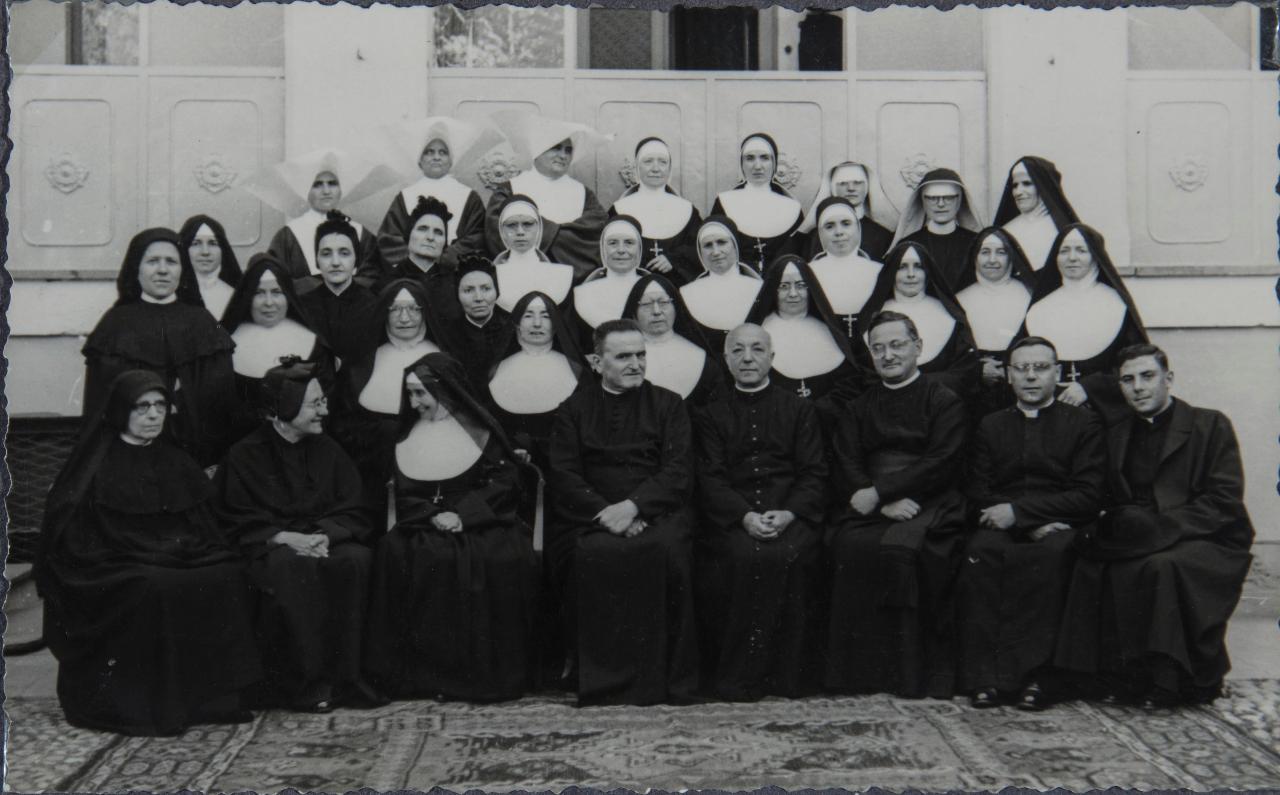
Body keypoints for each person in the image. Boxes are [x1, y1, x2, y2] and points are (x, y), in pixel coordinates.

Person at [37, 370, 261, 736]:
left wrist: (181, 548)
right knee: (155, 586)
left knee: (226, 574)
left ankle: (210, 701)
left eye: (160, 405)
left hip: (173, 558)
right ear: (120, 410)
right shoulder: (93, 466)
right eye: (142, 407)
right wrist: (147, 551)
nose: (154, 415)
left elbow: (203, 527)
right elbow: (77, 542)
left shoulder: (175, 460)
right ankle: (149, 705)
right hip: (111, 565)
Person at [1056, 344, 1254, 707]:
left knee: (1159, 565)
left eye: (1147, 376)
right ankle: (1116, 677)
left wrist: (1161, 528)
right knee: (1089, 561)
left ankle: (1172, 681)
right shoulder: (1117, 433)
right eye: (1128, 380)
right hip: (1138, 534)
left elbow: (1223, 499)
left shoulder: (1209, 425)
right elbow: (1107, 497)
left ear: (1168, 379)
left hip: (1203, 534)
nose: (1138, 388)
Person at [365, 353, 539, 702]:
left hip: (480, 520)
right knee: (399, 551)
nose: (413, 403)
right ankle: (422, 676)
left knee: (491, 558)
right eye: (409, 393)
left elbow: (506, 482)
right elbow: (400, 490)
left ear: (444, 391)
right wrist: (431, 514)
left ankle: (472, 675)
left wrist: (464, 515)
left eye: (420, 393)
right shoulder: (404, 435)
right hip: (421, 520)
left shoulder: (481, 432)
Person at [547, 319, 699, 705]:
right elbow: (564, 474)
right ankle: (600, 680)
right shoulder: (573, 410)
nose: (635, 364)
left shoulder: (669, 405)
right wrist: (605, 513)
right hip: (592, 516)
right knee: (590, 553)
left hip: (657, 512)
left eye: (641, 355)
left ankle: (665, 681)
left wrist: (634, 508)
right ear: (597, 362)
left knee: (667, 551)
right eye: (623, 356)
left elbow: (678, 471)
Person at [215, 360, 379, 713]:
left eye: (323, 401)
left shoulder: (328, 449)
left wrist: (326, 535)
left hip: (323, 539)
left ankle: (346, 680)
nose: (325, 411)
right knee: (291, 569)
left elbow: (355, 506)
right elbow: (233, 519)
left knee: (355, 560)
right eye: (314, 404)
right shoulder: (244, 455)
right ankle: (304, 685)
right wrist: (283, 537)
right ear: (283, 409)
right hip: (271, 546)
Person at [957, 337, 1105, 710]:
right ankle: (986, 678)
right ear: (1009, 376)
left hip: (1061, 524)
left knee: (1051, 557)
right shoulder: (991, 425)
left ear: (1057, 373)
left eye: (1040, 368)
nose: (1031, 377)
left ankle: (1039, 679)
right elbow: (977, 490)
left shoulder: (1083, 423)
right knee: (981, 552)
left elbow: (1089, 493)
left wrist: (1023, 515)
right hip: (1004, 524)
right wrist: (1024, 523)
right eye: (1021, 369)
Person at [826, 310, 968, 698]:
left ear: (918, 347)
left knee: (903, 553)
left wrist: (882, 492)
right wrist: (878, 500)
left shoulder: (943, 400)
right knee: (849, 545)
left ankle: (909, 675)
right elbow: (846, 459)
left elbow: (942, 460)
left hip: (930, 499)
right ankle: (860, 674)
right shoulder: (859, 406)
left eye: (897, 345)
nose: (888, 355)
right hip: (875, 501)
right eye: (878, 348)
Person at [693, 323, 827, 700]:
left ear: (772, 357)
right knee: (741, 556)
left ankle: (787, 678)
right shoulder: (710, 415)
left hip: (789, 514)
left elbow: (814, 473)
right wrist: (744, 516)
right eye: (738, 350)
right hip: (734, 518)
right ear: (726, 359)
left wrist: (788, 514)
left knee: (789, 555)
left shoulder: (799, 409)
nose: (748, 358)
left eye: (757, 350)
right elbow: (710, 478)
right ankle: (738, 678)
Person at [82, 227, 237, 466]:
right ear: (136, 268)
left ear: (183, 270)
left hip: (193, 452)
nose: (163, 270)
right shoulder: (116, 323)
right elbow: (101, 406)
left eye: (171, 262)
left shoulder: (203, 322)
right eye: (152, 261)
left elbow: (218, 404)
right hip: (127, 455)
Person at [328, 279, 447, 515]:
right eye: (395, 309)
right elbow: (345, 424)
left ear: (425, 312)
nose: (405, 318)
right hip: (373, 472)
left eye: (413, 309)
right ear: (384, 313)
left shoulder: (443, 358)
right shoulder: (363, 362)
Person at [1020, 223, 1149, 422]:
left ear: (1095, 256)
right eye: (1064, 251)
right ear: (1055, 257)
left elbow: (1136, 364)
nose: (1072, 257)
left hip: (1104, 414)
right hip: (1048, 411)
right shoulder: (1040, 308)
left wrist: (1090, 387)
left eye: (1081, 250)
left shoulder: (1115, 304)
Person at [485, 111, 610, 281]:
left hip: (572, 281)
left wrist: (543, 236)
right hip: (522, 276)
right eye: (556, 148)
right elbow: (497, 236)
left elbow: (594, 238)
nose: (563, 155)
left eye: (568, 150)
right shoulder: (509, 189)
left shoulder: (583, 193)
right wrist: (565, 238)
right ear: (539, 148)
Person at [858, 241, 979, 409]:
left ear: (928, 272)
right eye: (902, 267)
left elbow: (964, 374)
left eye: (918, 267)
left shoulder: (950, 317)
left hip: (939, 407)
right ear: (892, 272)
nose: (911, 274)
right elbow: (864, 377)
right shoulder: (871, 318)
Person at [220, 253, 333, 432]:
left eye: (276, 292)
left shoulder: (313, 344)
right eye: (259, 293)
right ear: (247, 297)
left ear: (288, 296)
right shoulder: (225, 346)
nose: (269, 303)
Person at [746, 255, 861, 422]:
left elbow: (850, 384)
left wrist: (821, 410)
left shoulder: (830, 332)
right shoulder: (757, 334)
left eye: (800, 285)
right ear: (773, 290)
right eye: (784, 286)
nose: (793, 294)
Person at [487, 291, 588, 470]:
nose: (537, 323)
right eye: (528, 316)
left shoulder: (578, 372)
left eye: (545, 316)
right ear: (517, 324)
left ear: (556, 325)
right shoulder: (495, 372)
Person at [378, 116, 495, 268]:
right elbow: (389, 238)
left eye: (443, 152)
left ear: (451, 160)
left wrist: (445, 259)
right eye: (429, 152)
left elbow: (477, 237)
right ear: (420, 159)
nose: (436, 157)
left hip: (453, 270)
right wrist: (416, 262)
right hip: (412, 272)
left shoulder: (468, 196)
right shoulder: (406, 196)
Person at [954, 228, 1036, 416]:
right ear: (975, 257)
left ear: (1011, 256)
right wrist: (977, 369)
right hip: (973, 390)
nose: (992, 260)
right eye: (985, 252)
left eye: (1001, 252)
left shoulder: (1029, 295)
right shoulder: (959, 299)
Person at [264, 157, 384, 284]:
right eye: (317, 185)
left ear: (341, 189)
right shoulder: (288, 236)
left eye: (332, 184)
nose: (326, 191)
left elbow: (373, 277)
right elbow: (275, 281)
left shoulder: (361, 233)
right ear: (306, 190)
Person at [610, 136, 703, 285]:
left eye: (662, 162)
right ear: (637, 167)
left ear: (669, 168)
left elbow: (700, 248)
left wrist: (674, 260)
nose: (656, 168)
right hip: (632, 286)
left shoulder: (687, 210)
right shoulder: (619, 209)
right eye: (648, 161)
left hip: (677, 287)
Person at [622, 274, 724, 408]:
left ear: (676, 307)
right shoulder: (620, 356)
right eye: (646, 304)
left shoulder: (703, 359)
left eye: (664, 303)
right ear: (633, 312)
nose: (656, 311)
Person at [296, 210, 381, 367]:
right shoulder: (303, 307)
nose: (335, 262)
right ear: (317, 260)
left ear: (356, 259)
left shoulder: (374, 306)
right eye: (326, 254)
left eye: (344, 253)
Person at [709, 133, 803, 272]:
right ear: (741, 164)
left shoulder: (792, 208)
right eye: (750, 158)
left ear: (774, 163)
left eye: (764, 158)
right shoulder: (724, 202)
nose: (757, 166)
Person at [678, 216, 764, 354]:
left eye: (721, 242)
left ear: (735, 245)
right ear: (700, 252)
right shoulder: (686, 293)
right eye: (708, 245)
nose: (716, 252)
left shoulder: (759, 289)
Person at [374, 196, 463, 328]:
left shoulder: (455, 282)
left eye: (438, 232)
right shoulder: (386, 283)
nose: (430, 237)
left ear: (444, 242)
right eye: (423, 229)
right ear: (409, 235)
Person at [890, 168, 983, 289]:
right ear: (923, 201)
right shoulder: (908, 243)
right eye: (932, 198)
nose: (940, 204)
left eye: (948, 198)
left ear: (959, 200)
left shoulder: (976, 243)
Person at [806, 196, 884, 340]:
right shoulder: (808, 273)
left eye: (846, 224)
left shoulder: (880, 271)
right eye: (829, 226)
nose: (839, 232)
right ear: (820, 234)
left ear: (858, 228)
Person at [992, 156, 1081, 272]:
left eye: (1027, 183)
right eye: (1015, 186)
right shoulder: (1005, 231)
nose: (1018, 192)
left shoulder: (1065, 231)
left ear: (1043, 186)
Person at [490, 195, 576, 313]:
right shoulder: (490, 277)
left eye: (527, 224)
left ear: (539, 228)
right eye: (511, 225)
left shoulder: (561, 275)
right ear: (502, 230)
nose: (520, 232)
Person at [573, 215, 649, 344]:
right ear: (603, 248)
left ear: (639, 248)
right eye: (613, 243)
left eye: (629, 243)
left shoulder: (654, 289)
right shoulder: (584, 291)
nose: (621, 250)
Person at [799, 161, 894, 261]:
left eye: (857, 182)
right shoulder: (814, 237)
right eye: (843, 183)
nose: (851, 188)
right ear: (833, 186)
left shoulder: (882, 235)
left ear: (867, 186)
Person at [452, 255, 511, 400]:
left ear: (497, 292)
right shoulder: (448, 334)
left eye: (486, 289)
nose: (478, 298)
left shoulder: (512, 331)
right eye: (468, 290)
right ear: (457, 295)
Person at [178, 214, 242, 320]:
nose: (205, 252)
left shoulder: (236, 295)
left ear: (223, 250)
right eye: (196, 243)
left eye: (212, 243)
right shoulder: (172, 294)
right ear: (185, 249)